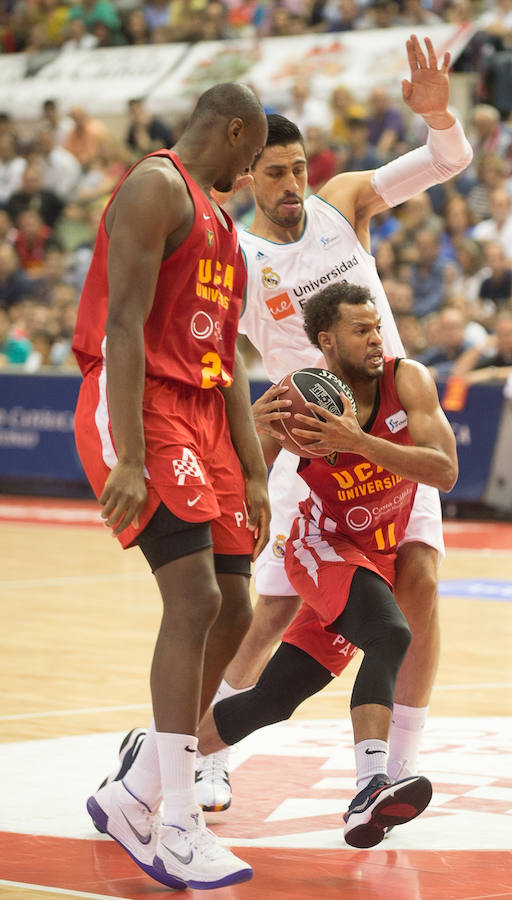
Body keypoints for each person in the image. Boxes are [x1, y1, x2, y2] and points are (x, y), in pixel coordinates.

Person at [101, 34, 473, 816]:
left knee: (421, 586)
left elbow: (445, 164)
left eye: (299, 167)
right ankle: (199, 751)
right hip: (307, 452)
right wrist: (246, 429)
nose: (293, 183)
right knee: (266, 614)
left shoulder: (343, 204)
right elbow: (223, 359)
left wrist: (439, 119)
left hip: (393, 431)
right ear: (247, 177)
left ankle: (389, 770)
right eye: (275, 171)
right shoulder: (232, 252)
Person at [73, 83, 270, 891]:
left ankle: (137, 791)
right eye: (252, 156)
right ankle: (177, 823)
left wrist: (253, 470)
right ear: (231, 131)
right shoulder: (156, 187)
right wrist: (128, 454)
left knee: (236, 603)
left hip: (204, 413)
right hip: (142, 396)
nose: (251, 170)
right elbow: (123, 323)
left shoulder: (226, 229)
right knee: (192, 600)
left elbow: (226, 361)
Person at [197, 282, 458, 848]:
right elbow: (246, 478)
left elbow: (443, 471)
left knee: (276, 698)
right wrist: (251, 428)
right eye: (361, 330)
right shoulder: (299, 399)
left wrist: (358, 441)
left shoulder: (406, 377)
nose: (376, 338)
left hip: (377, 552)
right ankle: (370, 789)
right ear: (326, 340)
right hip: (321, 548)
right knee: (390, 633)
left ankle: (156, 759)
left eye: (377, 327)